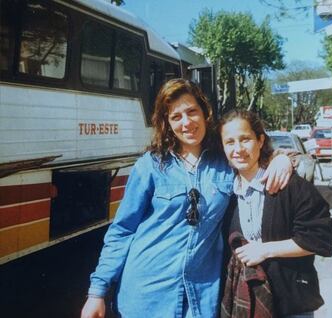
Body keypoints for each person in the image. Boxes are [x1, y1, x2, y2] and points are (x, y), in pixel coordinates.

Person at [81, 79, 293, 318]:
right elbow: (122, 231)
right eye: (176, 117)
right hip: (146, 295)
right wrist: (97, 292)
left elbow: (255, 155)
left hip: (201, 298)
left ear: (205, 113)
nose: (186, 123)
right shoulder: (150, 166)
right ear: (167, 123)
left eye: (192, 112)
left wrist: (282, 157)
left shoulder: (225, 163)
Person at [219, 110, 332, 318]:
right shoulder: (224, 196)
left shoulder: (288, 186)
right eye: (230, 142)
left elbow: (321, 238)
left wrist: (265, 250)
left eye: (245, 139)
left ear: (260, 140)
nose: (238, 149)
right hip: (247, 304)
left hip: (291, 303)